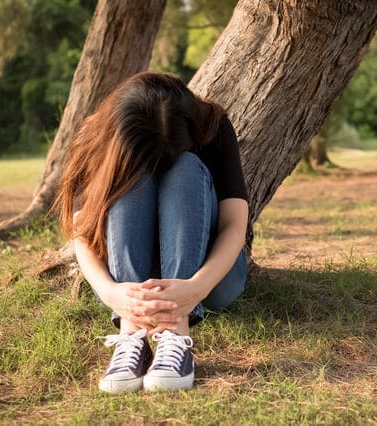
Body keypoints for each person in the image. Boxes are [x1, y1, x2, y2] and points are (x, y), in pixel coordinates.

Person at [55, 72, 249, 394]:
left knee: (186, 168)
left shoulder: (212, 125)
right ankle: (132, 334)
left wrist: (195, 287)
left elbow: (234, 225)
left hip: (209, 277)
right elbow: (81, 235)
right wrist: (111, 295)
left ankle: (176, 333)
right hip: (127, 284)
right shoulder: (97, 136)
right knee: (132, 178)